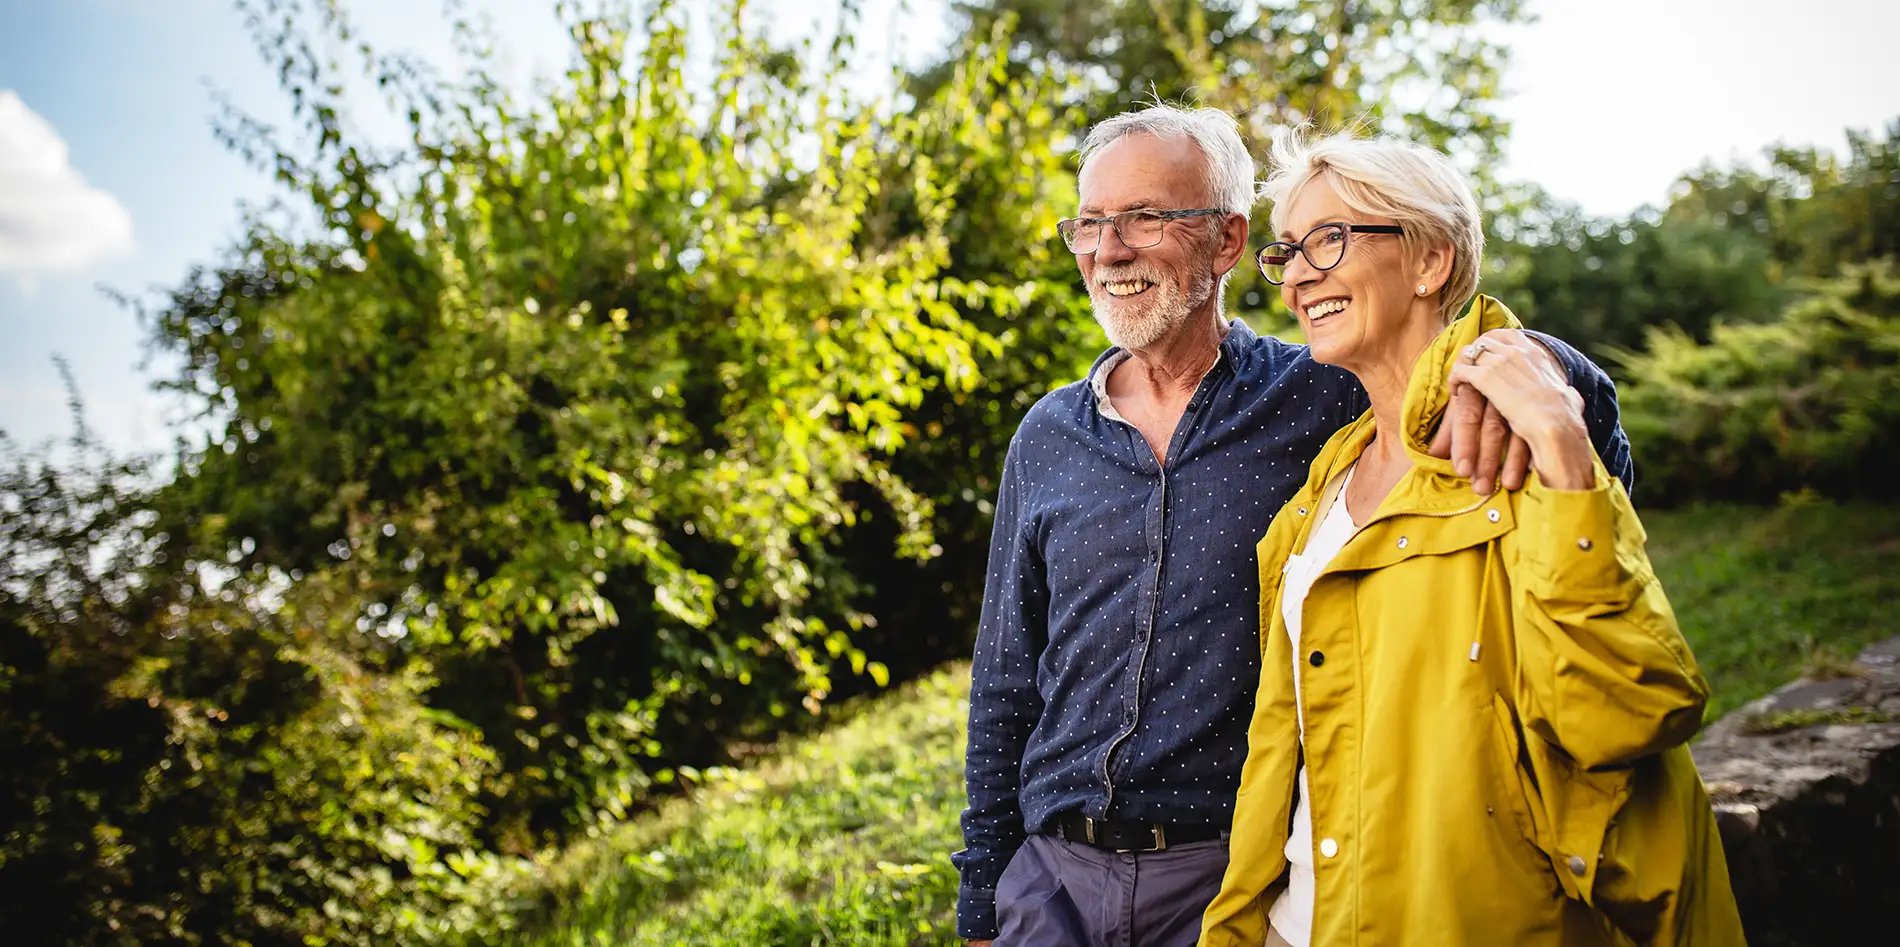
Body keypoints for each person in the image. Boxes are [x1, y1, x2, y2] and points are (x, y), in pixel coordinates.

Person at [953, 104, 1632, 947]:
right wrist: (986, 890)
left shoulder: (1320, 393)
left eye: (1143, 218)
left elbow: (1584, 434)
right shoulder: (1048, 435)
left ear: (1228, 241)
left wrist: (1533, 359)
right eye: (1089, 223)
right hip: (1049, 884)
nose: (1108, 249)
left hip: (1227, 870)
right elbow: (1006, 672)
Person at [1197, 129, 1743, 946]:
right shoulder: (1317, 494)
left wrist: (1561, 439)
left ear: (1431, 261)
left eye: (1331, 239)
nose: (1300, 273)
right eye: (1288, 251)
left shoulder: (1515, 451)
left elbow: (1625, 710)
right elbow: (1288, 752)